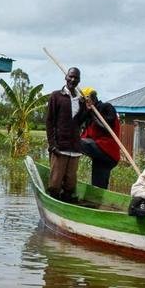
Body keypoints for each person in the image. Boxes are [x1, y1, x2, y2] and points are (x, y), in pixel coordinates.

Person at [45, 67, 89, 202]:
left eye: (76, 78)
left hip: (74, 146)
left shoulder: (80, 100)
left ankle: (67, 200)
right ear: (66, 77)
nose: (73, 79)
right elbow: (49, 121)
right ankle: (54, 201)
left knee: (70, 182)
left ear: (79, 80)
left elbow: (79, 122)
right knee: (55, 181)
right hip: (60, 146)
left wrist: (87, 109)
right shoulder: (56, 96)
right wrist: (52, 144)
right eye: (71, 76)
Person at [79, 87, 121, 190]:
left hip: (107, 152)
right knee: (98, 187)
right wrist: (88, 111)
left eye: (84, 100)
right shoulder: (88, 112)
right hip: (100, 157)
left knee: (75, 142)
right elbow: (79, 121)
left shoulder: (106, 107)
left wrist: (93, 112)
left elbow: (106, 126)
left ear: (92, 99)